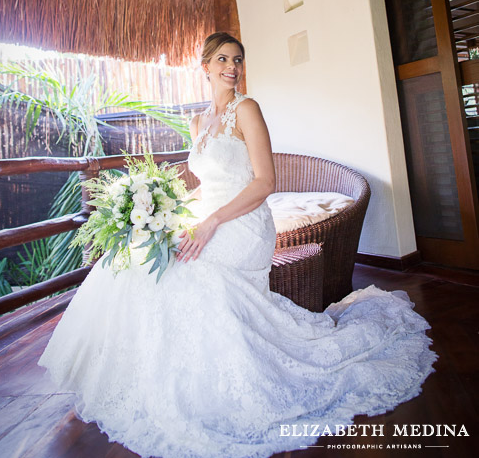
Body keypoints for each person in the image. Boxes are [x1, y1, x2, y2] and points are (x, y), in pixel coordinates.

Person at [38, 31, 437, 458]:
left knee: (190, 272)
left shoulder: (247, 109)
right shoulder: (197, 121)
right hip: (209, 216)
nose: (233, 67)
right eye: (224, 59)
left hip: (244, 225)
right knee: (136, 262)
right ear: (205, 66)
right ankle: (141, 375)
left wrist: (210, 223)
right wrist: (165, 216)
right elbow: (206, 186)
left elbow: (266, 182)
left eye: (239, 60)